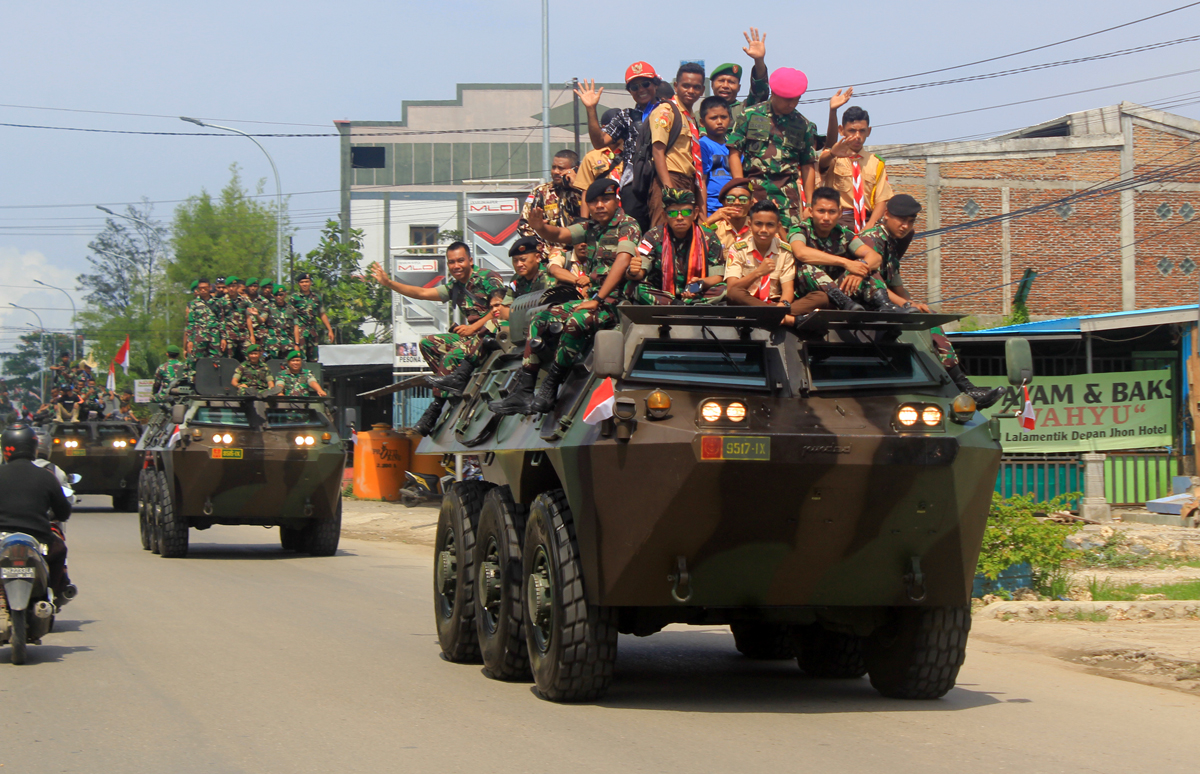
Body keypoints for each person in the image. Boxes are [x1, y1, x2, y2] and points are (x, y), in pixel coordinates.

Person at [490, 178, 636, 416]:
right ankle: (525, 392)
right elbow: (560, 233)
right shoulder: (590, 228)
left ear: (615, 201)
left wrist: (598, 298)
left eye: (606, 200)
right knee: (539, 319)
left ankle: (550, 387)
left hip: (616, 302)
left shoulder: (627, 226)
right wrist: (539, 227)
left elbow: (622, 261)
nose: (600, 205)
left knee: (576, 321)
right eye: (595, 201)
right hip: (593, 299)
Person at [858, 194, 1004, 408]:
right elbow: (872, 282)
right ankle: (964, 387)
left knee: (929, 320)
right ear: (887, 214)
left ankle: (964, 387)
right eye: (901, 219)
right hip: (864, 303)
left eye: (911, 221)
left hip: (883, 304)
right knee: (917, 322)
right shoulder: (870, 239)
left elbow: (895, 282)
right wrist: (906, 305)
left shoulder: (891, 241)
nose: (905, 225)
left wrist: (912, 304)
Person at [369, 242, 507, 434]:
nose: (456, 266)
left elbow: (502, 308)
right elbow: (423, 293)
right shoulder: (456, 286)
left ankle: (435, 408)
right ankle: (452, 384)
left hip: (492, 333)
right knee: (428, 344)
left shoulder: (488, 278)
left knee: (451, 356)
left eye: (460, 260)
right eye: (452, 262)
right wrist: (389, 283)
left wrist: (473, 327)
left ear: (470, 261)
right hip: (472, 337)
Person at [726, 200, 863, 322]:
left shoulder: (785, 250)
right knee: (733, 293)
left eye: (770, 225)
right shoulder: (738, 249)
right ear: (750, 224)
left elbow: (788, 290)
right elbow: (733, 287)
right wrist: (758, 273)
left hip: (777, 304)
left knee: (821, 297)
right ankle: (787, 319)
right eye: (758, 224)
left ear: (778, 226)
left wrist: (782, 305)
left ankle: (774, 316)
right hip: (749, 304)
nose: (763, 230)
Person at [728, 67, 817, 232]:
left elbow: (807, 165)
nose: (791, 103)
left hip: (787, 199)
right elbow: (734, 152)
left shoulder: (803, 125)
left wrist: (810, 204)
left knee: (788, 244)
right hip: (753, 193)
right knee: (750, 241)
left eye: (796, 99)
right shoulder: (749, 115)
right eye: (786, 99)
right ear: (774, 94)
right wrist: (742, 191)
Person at [789, 186, 905, 312]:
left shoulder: (844, 233)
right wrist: (846, 263)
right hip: (810, 291)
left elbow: (875, 257)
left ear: (840, 212)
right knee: (806, 267)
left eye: (832, 212)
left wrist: (858, 270)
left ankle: (885, 304)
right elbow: (801, 252)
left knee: (868, 269)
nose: (826, 217)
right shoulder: (800, 230)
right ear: (811, 212)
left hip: (840, 291)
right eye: (821, 211)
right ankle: (844, 302)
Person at [0, 423, 75, 605]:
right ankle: (54, 593)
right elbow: (63, 513)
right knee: (60, 549)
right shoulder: (47, 475)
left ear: (5, 449)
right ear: (34, 447)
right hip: (38, 539)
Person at [626, 189, 726, 305]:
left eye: (686, 212)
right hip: (663, 293)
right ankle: (680, 306)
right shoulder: (653, 236)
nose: (679, 217)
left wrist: (700, 283)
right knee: (633, 286)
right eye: (673, 213)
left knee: (724, 289)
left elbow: (717, 276)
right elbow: (639, 273)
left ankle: (686, 304)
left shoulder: (709, 236)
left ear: (695, 213)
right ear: (664, 215)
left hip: (696, 290)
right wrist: (633, 271)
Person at [577, 62, 663, 185]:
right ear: (630, 91)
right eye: (634, 87)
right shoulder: (625, 116)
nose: (641, 89)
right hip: (634, 183)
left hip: (663, 179)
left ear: (656, 84)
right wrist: (591, 109)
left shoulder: (668, 111)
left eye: (645, 84)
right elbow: (599, 142)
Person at [649, 62, 706, 227]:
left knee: (685, 236)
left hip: (688, 182)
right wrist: (669, 190)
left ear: (702, 90)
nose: (690, 91)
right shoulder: (666, 111)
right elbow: (658, 151)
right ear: (676, 86)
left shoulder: (690, 117)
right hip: (669, 179)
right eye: (686, 86)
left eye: (696, 87)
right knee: (662, 233)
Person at [820, 104, 894, 232]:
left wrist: (869, 227)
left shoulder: (876, 163)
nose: (857, 136)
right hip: (840, 219)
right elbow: (821, 164)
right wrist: (832, 153)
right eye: (852, 131)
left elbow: (881, 200)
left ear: (869, 131)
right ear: (841, 130)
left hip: (868, 220)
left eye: (862, 131)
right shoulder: (833, 157)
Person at [518, 149, 582, 269]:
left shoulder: (584, 191)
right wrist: (545, 251)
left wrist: (577, 187)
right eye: (554, 167)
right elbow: (524, 226)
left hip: (581, 255)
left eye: (561, 168)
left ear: (574, 169)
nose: (556, 172)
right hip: (549, 257)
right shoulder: (541, 192)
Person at [709, 28, 771, 125]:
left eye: (731, 82)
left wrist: (759, 61)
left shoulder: (745, 110)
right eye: (721, 81)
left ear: (739, 88)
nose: (725, 85)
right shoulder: (699, 114)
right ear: (712, 85)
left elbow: (759, 93)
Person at [698, 97, 733, 217]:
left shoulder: (733, 146)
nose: (719, 122)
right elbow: (701, 181)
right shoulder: (703, 144)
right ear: (702, 122)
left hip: (733, 207)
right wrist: (703, 218)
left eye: (724, 117)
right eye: (713, 118)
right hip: (711, 209)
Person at [292, 273, 335, 361]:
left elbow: (322, 314)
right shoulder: (294, 298)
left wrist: (329, 330)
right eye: (302, 282)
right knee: (300, 357)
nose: (304, 284)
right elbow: (290, 316)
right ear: (299, 284)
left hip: (312, 332)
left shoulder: (316, 297)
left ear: (310, 283)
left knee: (313, 358)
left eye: (307, 282)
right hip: (300, 332)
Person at [706, 178, 753, 248]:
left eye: (743, 199)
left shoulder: (757, 227)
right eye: (730, 199)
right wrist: (708, 221)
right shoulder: (714, 227)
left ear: (751, 203)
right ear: (723, 203)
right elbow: (696, 245)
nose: (737, 203)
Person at [184, 279, 224, 360]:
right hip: (199, 337)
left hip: (214, 337)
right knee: (195, 361)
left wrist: (223, 338)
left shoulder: (217, 303)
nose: (203, 290)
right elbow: (190, 323)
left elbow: (221, 321)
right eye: (200, 288)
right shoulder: (194, 304)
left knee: (216, 361)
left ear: (209, 288)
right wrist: (190, 341)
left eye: (205, 288)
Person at [264, 284, 296, 360]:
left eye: (281, 295)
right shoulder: (268, 307)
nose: (278, 297)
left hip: (287, 343)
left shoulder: (291, 309)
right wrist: (257, 316)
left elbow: (296, 326)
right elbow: (262, 319)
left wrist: (297, 343)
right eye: (276, 295)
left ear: (285, 294)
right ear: (273, 296)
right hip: (272, 343)